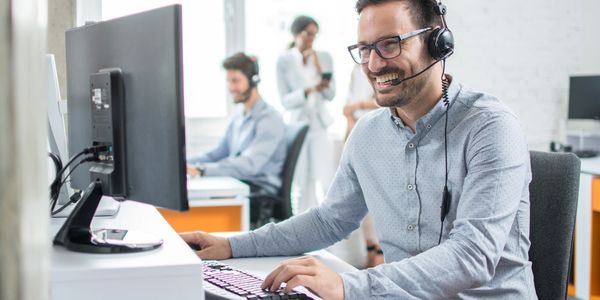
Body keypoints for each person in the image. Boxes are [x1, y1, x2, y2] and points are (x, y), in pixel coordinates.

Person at [181, 0, 537, 298]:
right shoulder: (368, 134)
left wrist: (349, 285)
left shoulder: (490, 128)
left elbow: (472, 256)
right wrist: (231, 246)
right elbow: (328, 220)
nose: (374, 63)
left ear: (436, 42)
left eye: (390, 44)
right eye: (365, 49)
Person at [187, 53, 286, 223]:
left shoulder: (270, 119)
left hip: (258, 194)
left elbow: (250, 165)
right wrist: (183, 162)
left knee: (197, 205)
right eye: (229, 81)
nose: (231, 87)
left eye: (236, 81)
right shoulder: (239, 116)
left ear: (253, 80)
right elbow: (217, 153)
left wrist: (202, 170)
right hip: (239, 184)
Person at [276, 15, 336, 214]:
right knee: (300, 184)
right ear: (296, 33)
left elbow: (330, 94)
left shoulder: (324, 57)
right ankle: (298, 233)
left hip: (320, 126)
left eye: (315, 34)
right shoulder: (284, 61)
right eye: (308, 34)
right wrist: (309, 90)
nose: (312, 38)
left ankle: (328, 233)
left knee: (327, 182)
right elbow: (285, 101)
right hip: (298, 127)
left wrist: (319, 69)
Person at [343, 64, 379, 140]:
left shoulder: (377, 67)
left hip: (372, 124)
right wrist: (349, 118)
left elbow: (383, 101)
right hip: (354, 122)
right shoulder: (356, 68)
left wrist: (358, 105)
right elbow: (349, 100)